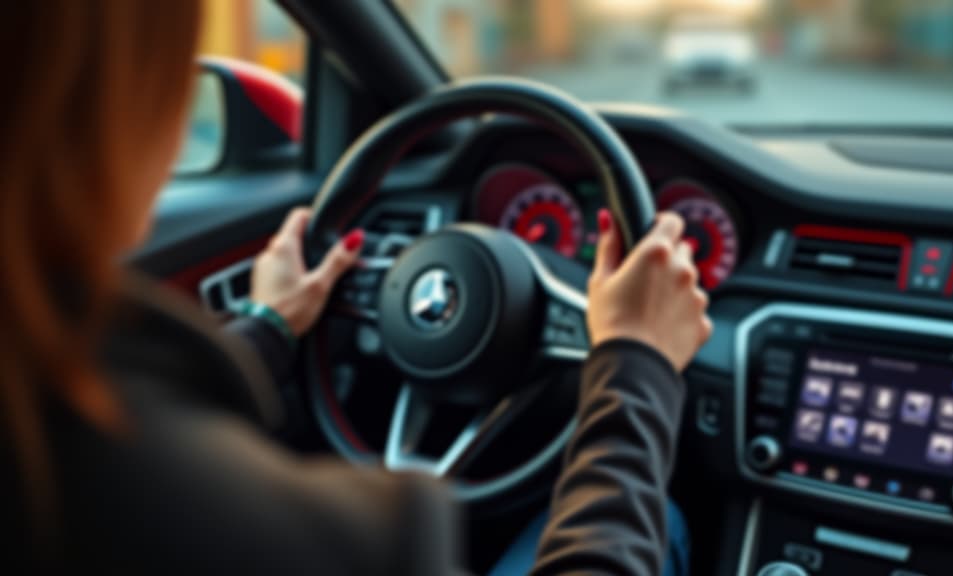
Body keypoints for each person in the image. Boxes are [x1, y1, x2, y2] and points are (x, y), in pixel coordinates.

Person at [0, 3, 712, 575]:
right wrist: (634, 363)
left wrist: (268, 326)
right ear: (121, 98)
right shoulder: (351, 540)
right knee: (670, 520)